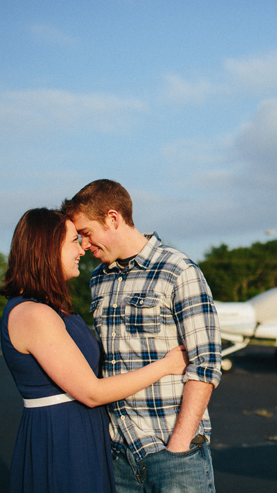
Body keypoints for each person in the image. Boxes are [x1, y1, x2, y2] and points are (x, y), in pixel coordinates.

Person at [0, 208, 189, 493]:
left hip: (78, 431)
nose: (82, 249)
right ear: (48, 248)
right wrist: (168, 365)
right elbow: (91, 392)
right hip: (62, 439)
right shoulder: (33, 314)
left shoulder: (52, 308)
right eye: (74, 241)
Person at [61, 179, 222, 493]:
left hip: (173, 453)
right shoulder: (98, 281)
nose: (83, 245)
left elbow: (206, 365)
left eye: (86, 233)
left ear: (113, 219)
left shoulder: (178, 270)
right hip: (119, 456)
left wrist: (179, 444)